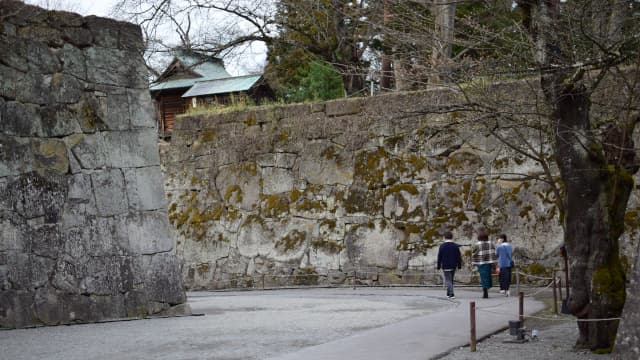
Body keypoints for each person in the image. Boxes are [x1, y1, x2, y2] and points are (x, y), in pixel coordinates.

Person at [471, 228, 497, 298]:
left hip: (481, 263)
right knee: (488, 276)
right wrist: (494, 263)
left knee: (483, 277)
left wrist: (473, 263)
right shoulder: (491, 243)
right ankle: (486, 288)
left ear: (479, 237)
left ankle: (485, 289)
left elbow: (474, 254)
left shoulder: (477, 244)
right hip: (489, 263)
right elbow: (493, 253)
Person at [436, 231, 462, 299]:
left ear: (445, 237)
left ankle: (451, 293)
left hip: (445, 265)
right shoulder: (455, 246)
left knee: (448, 280)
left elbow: (439, 257)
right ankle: (448, 293)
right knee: (451, 280)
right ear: (452, 237)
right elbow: (458, 256)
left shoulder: (442, 246)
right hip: (453, 265)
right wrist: (459, 265)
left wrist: (438, 266)